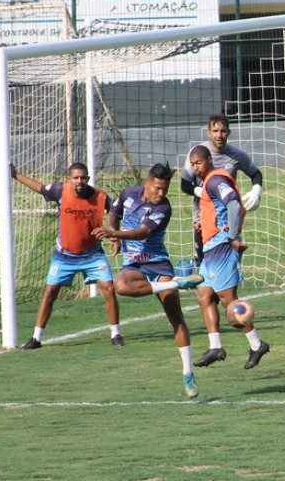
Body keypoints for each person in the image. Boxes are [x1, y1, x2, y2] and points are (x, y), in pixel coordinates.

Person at [93, 163, 206, 398]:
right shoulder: (128, 195)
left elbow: (142, 233)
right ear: (146, 183)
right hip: (135, 265)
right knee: (120, 286)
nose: (161, 194)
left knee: (176, 318)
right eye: (157, 188)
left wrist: (114, 234)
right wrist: (114, 233)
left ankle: (188, 373)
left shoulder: (164, 208)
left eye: (164, 190)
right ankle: (176, 283)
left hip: (158, 263)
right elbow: (114, 214)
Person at [11, 162, 122, 349]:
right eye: (76, 177)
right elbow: (39, 187)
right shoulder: (60, 191)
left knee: (109, 289)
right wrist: (15, 175)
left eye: (83, 177)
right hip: (64, 257)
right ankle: (36, 338)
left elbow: (115, 212)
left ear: (87, 178)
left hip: (93, 255)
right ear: (68, 179)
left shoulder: (101, 197)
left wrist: (114, 235)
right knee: (50, 292)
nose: (80, 181)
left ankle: (116, 334)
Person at [187, 145, 271, 370]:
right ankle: (216, 347)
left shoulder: (215, 180)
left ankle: (257, 344)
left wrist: (232, 236)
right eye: (192, 164)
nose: (195, 167)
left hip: (222, 247)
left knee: (229, 302)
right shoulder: (209, 182)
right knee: (204, 295)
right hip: (212, 247)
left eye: (199, 163)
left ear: (208, 160)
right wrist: (203, 223)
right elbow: (219, 210)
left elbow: (233, 204)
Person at [180, 113, 264, 267]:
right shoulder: (198, 153)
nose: (219, 135)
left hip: (227, 222)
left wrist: (256, 192)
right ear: (208, 132)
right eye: (215, 131)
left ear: (228, 132)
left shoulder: (236, 155)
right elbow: (184, 184)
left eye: (223, 131)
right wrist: (202, 192)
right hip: (202, 220)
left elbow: (256, 174)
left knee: (226, 265)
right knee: (203, 264)